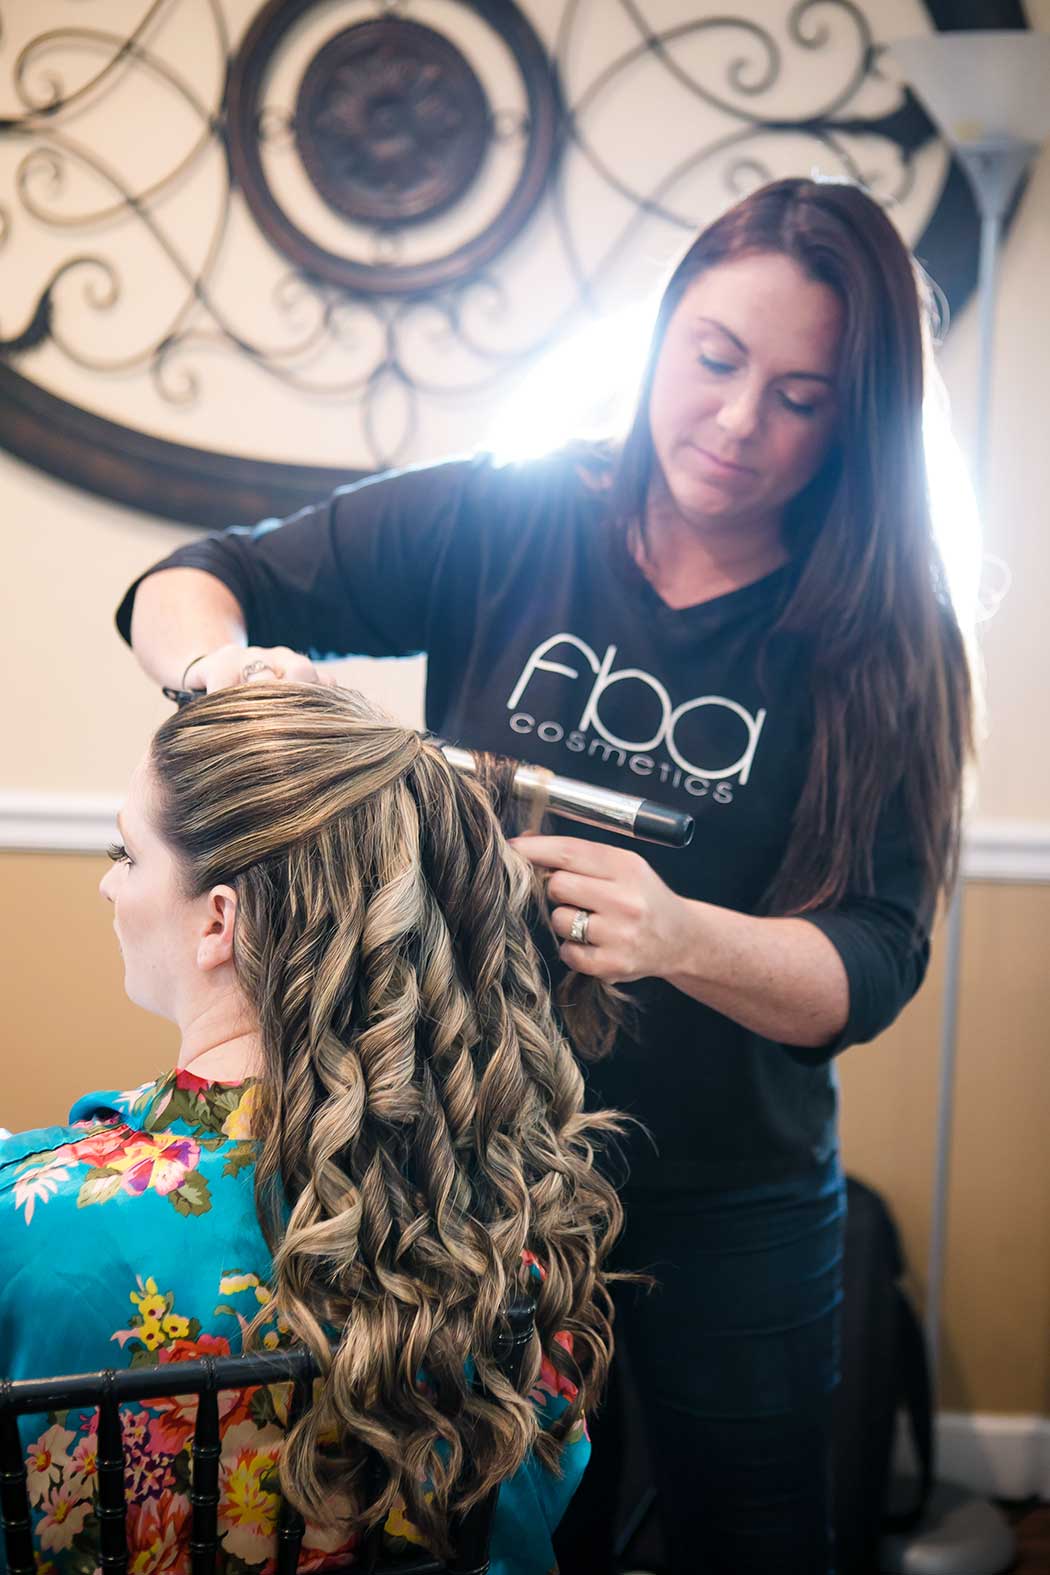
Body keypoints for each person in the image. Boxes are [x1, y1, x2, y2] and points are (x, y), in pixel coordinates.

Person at [114, 177, 975, 1573]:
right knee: (502, 1533)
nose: (738, 421)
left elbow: (872, 960)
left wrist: (685, 932)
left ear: (855, 421)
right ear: (660, 336)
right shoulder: (508, 516)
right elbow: (194, 577)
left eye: (802, 397)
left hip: (730, 1196)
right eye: (713, 359)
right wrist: (223, 666)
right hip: (469, 1175)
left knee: (750, 1539)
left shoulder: (883, 632)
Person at [0, 682, 626, 1575]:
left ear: (220, 918)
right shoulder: (508, 1214)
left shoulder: (31, 1219)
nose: (107, 881)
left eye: (126, 853)